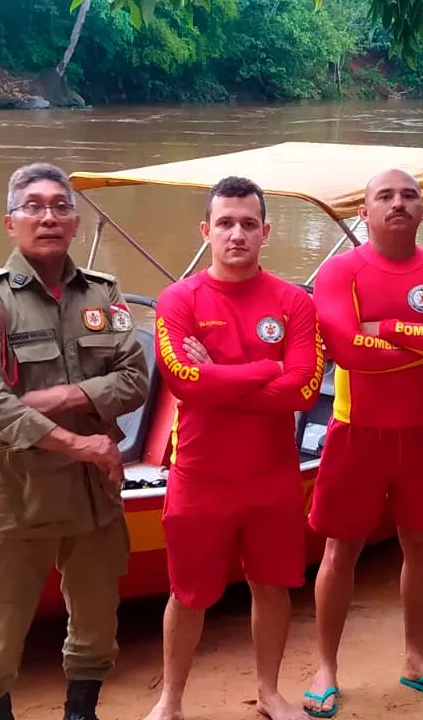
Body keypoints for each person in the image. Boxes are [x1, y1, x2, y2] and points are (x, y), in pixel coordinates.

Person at [0, 162, 151, 720]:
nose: (48, 217)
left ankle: (80, 713)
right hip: (17, 496)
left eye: (61, 206)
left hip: (93, 495)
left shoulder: (105, 294)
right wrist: (78, 441)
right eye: (34, 207)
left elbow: (135, 379)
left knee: (95, 625)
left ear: (75, 221)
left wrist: (56, 397)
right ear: (9, 222)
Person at [301, 168, 423, 718]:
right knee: (340, 550)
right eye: (384, 196)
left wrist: (386, 328)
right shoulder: (339, 272)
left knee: (422, 547)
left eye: (409, 195)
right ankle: (326, 667)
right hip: (357, 431)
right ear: (365, 212)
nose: (398, 203)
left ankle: (416, 658)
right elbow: (349, 351)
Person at [141, 176, 323, 720]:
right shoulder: (179, 299)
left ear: (265, 232)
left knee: (273, 588)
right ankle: (170, 701)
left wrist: (220, 373)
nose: (236, 234)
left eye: (248, 224)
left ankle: (269, 693)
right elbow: (185, 385)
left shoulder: (294, 302)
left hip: (271, 478)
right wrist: (267, 372)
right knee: (189, 595)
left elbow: (304, 389)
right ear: (206, 231)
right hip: (200, 476)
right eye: (225, 223)